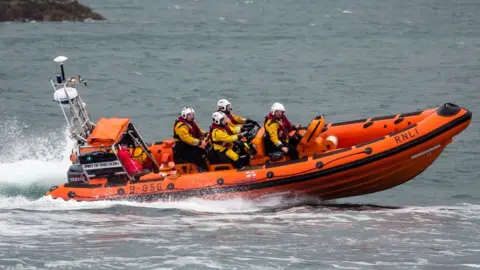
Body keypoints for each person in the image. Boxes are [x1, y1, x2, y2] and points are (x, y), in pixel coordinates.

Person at [173, 106, 208, 172]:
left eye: (192, 114)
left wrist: (206, 134)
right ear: (184, 115)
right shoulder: (181, 126)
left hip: (189, 146)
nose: (191, 116)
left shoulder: (191, 123)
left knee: (203, 152)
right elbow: (186, 138)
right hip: (182, 148)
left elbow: (198, 131)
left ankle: (205, 168)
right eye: (189, 115)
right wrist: (200, 142)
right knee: (197, 157)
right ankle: (202, 170)